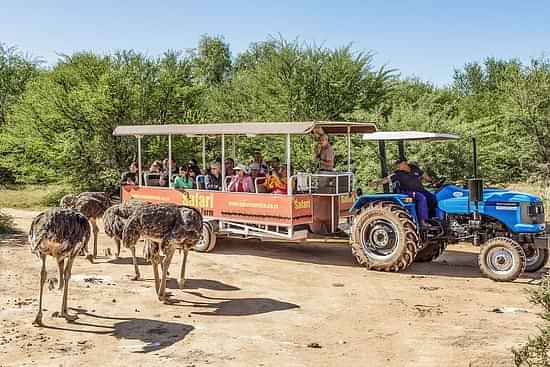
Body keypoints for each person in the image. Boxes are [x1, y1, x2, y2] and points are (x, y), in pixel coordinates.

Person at [387, 158, 437, 226]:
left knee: (433, 197)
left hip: (420, 190)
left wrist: (432, 181)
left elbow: (424, 175)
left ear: (405, 163)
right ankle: (423, 221)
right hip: (408, 192)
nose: (398, 167)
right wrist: (377, 182)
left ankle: (433, 218)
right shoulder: (398, 173)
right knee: (422, 198)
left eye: (399, 165)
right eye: (397, 165)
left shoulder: (414, 168)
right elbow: (387, 179)